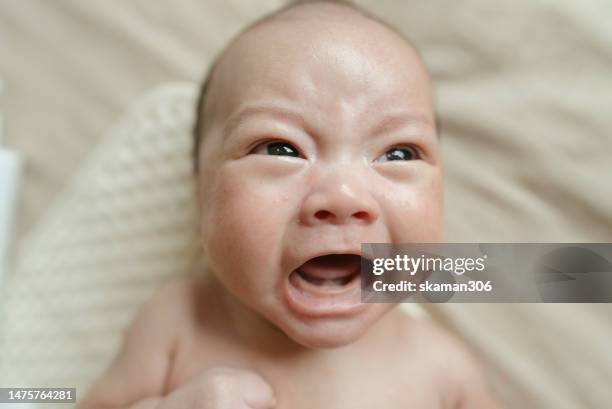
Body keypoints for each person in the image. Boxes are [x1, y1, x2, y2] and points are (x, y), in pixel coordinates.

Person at [79, 1, 503, 408]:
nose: (343, 197)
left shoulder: (443, 370)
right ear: (201, 190)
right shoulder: (176, 324)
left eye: (398, 154)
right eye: (281, 149)